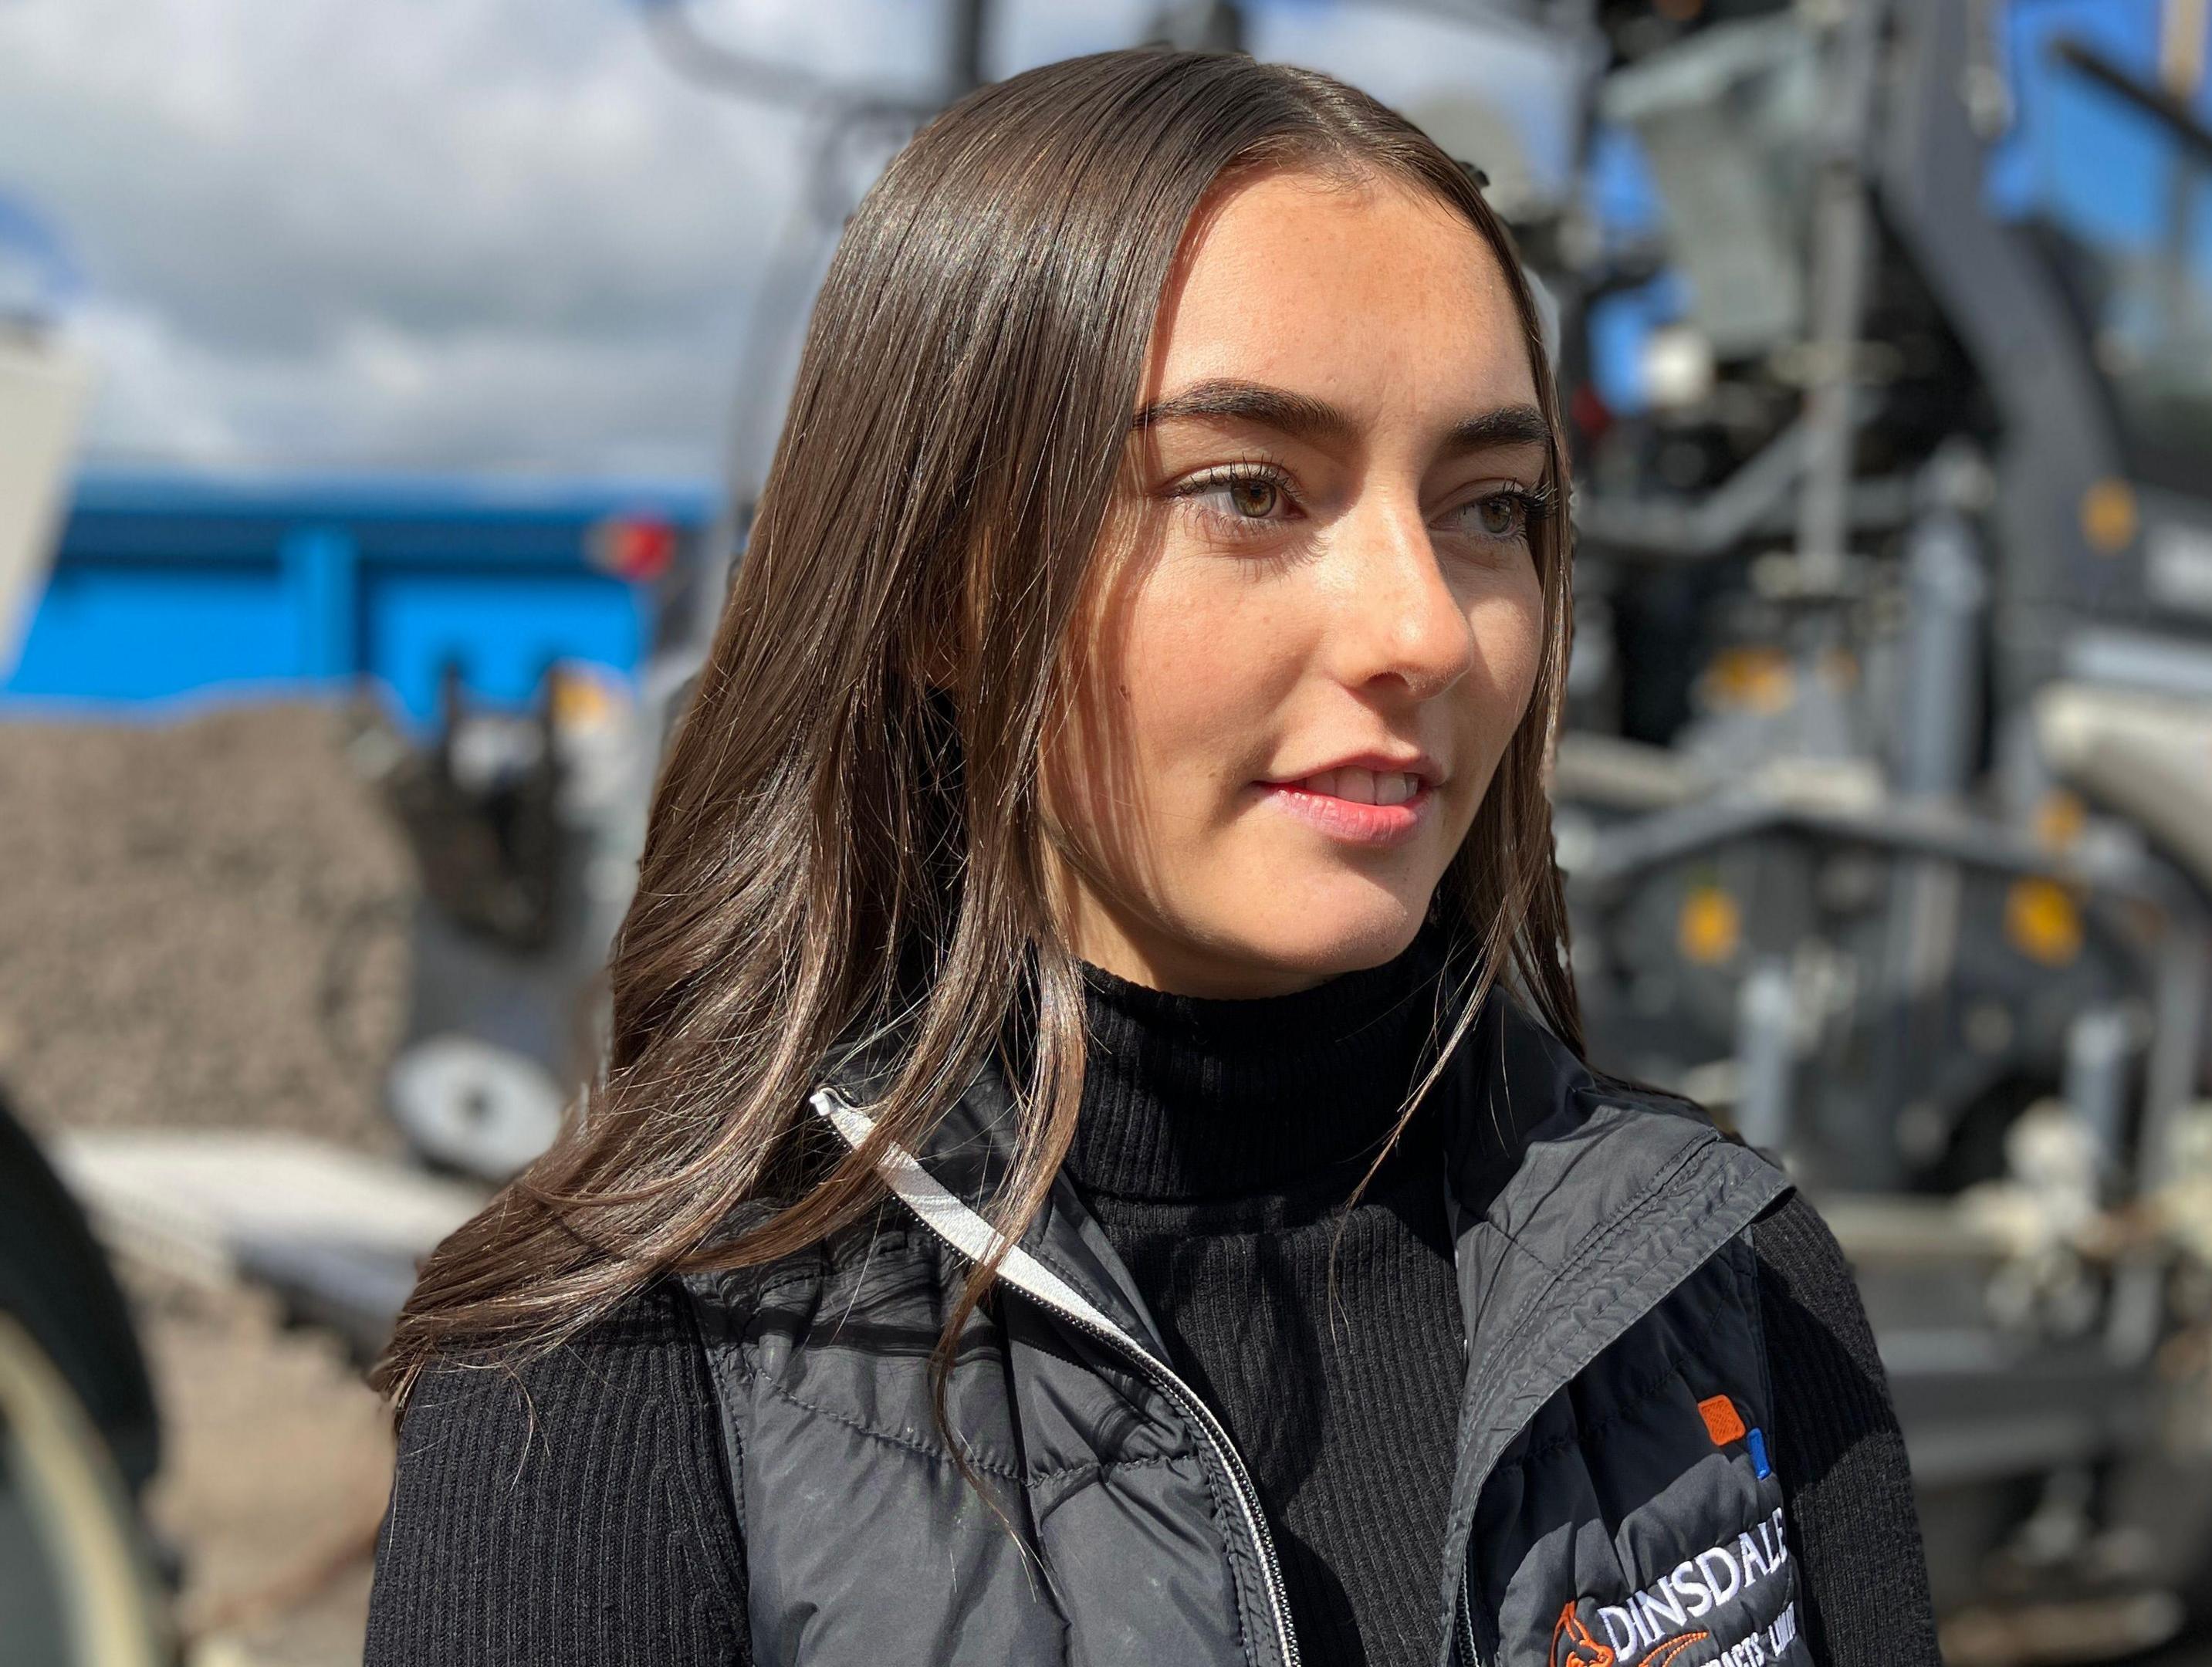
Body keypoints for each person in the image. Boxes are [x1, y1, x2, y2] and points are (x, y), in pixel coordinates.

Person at [365, 46, 1940, 1667]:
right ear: (936, 591)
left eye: (1491, 507)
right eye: (1251, 491)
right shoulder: (615, 1380)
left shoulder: (1717, 1275)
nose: (1423, 627)